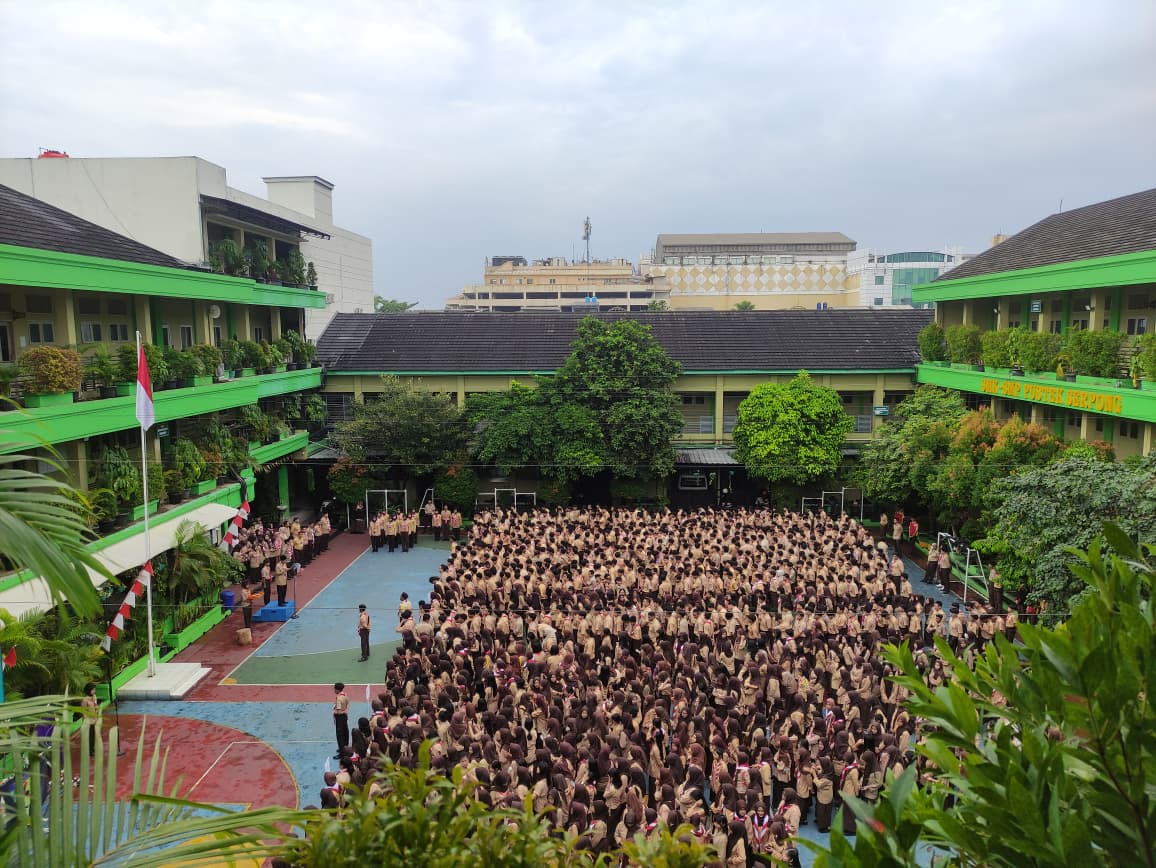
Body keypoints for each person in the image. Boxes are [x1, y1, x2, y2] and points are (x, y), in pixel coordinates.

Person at [80, 682, 101, 757]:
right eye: (93, 690)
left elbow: (96, 706)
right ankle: (89, 751)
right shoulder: (84, 700)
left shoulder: (94, 696)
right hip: (88, 721)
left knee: (94, 735)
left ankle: (92, 748)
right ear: (89, 690)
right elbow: (84, 712)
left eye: (94, 689)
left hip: (94, 719)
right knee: (89, 736)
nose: (94, 691)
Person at [333, 682, 349, 759]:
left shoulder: (339, 698)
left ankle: (342, 753)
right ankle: (346, 748)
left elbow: (339, 711)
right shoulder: (345, 695)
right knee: (345, 732)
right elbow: (347, 703)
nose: (334, 690)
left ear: (337, 689)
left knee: (340, 736)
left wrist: (338, 712)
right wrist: (345, 711)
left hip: (340, 718)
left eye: (334, 688)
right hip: (345, 717)